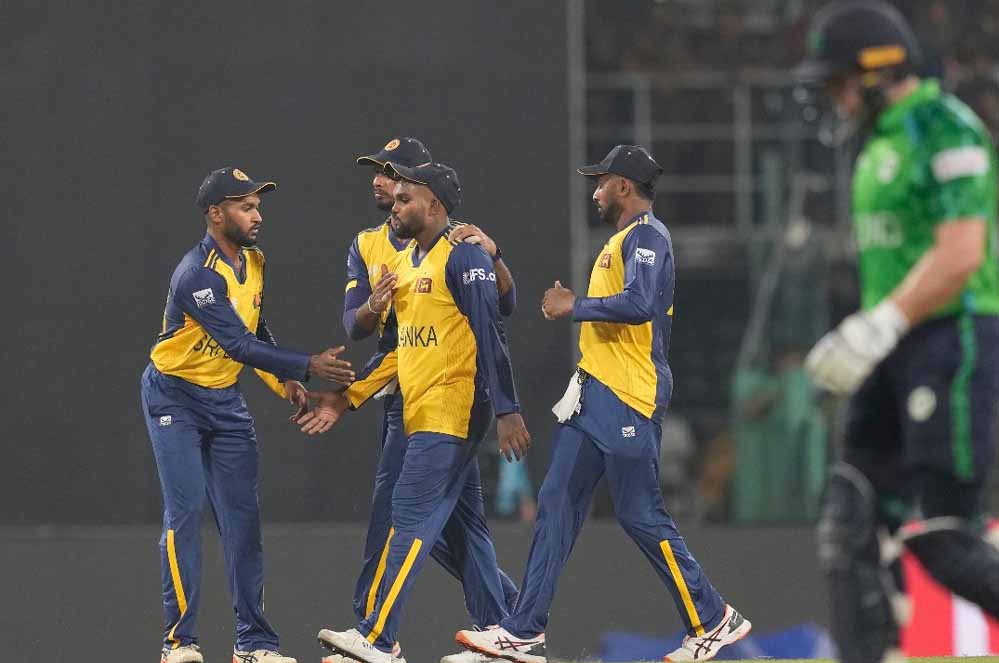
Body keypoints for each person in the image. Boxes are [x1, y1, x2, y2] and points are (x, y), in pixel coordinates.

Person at [454, 146, 751, 663]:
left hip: (629, 395)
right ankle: (524, 630)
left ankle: (713, 618)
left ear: (624, 186)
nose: (594, 192)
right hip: (594, 396)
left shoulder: (648, 237)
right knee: (556, 502)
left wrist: (575, 305)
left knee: (639, 513)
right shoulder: (622, 240)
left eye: (601, 182)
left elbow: (641, 303)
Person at [796, 3, 999, 662]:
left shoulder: (945, 126)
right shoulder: (879, 141)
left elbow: (961, 252)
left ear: (877, 72)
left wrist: (880, 322)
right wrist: (873, 331)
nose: (835, 99)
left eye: (839, 82)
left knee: (942, 537)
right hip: (894, 344)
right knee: (847, 523)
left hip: (952, 337)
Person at [303, 161, 531, 663]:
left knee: (406, 516)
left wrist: (508, 409)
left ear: (436, 206)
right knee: (467, 531)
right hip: (421, 411)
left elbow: (492, 330)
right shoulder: (406, 263)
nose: (395, 205)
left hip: (453, 409)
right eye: (397, 197)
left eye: (406, 199)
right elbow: (399, 352)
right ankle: (500, 637)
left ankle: (378, 638)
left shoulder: (463, 255)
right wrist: (348, 396)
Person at [141, 166, 354, 663]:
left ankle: (254, 645)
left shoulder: (254, 261)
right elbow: (237, 343)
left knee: (243, 522)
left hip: (223, 400)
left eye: (258, 206)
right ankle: (179, 642)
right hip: (174, 398)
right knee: (185, 511)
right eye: (245, 207)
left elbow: (254, 329)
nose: (257, 216)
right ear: (216, 214)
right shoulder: (196, 275)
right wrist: (307, 364)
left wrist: (285, 380)